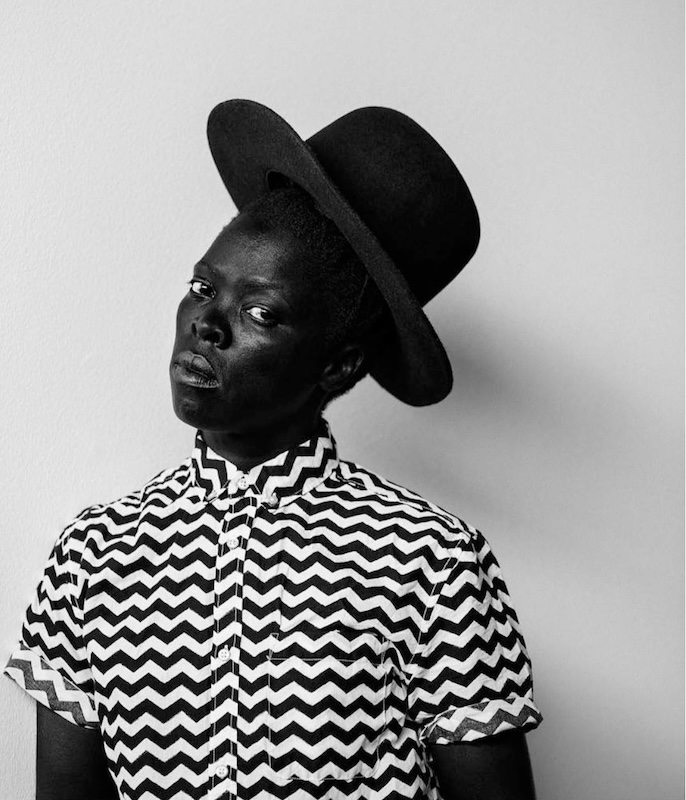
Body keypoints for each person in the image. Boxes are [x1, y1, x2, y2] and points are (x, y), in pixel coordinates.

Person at [4, 100, 542, 800]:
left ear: (339, 366)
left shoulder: (433, 562)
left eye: (261, 312)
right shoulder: (93, 556)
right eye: (202, 288)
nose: (206, 325)